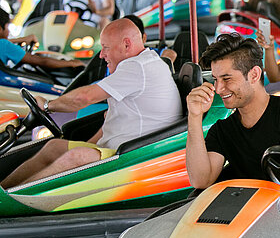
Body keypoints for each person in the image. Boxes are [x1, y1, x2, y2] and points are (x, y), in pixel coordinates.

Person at [1, 19, 183, 188]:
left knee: (76, 156)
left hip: (134, 158)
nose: (102, 55)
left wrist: (48, 106)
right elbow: (111, 120)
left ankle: (12, 199)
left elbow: (85, 97)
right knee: (54, 147)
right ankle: (5, 189)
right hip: (120, 150)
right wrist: (88, 143)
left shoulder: (138, 67)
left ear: (127, 44)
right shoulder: (142, 63)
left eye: (105, 48)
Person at [185, 32, 280, 188]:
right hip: (244, 208)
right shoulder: (223, 130)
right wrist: (194, 116)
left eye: (226, 79)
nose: (218, 89)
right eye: (215, 79)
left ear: (254, 75)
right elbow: (201, 180)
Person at [0, 8, 84, 69]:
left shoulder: (4, 44)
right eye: (7, 27)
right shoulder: (5, 45)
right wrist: (71, 63)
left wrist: (20, 40)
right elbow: (42, 61)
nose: (8, 31)